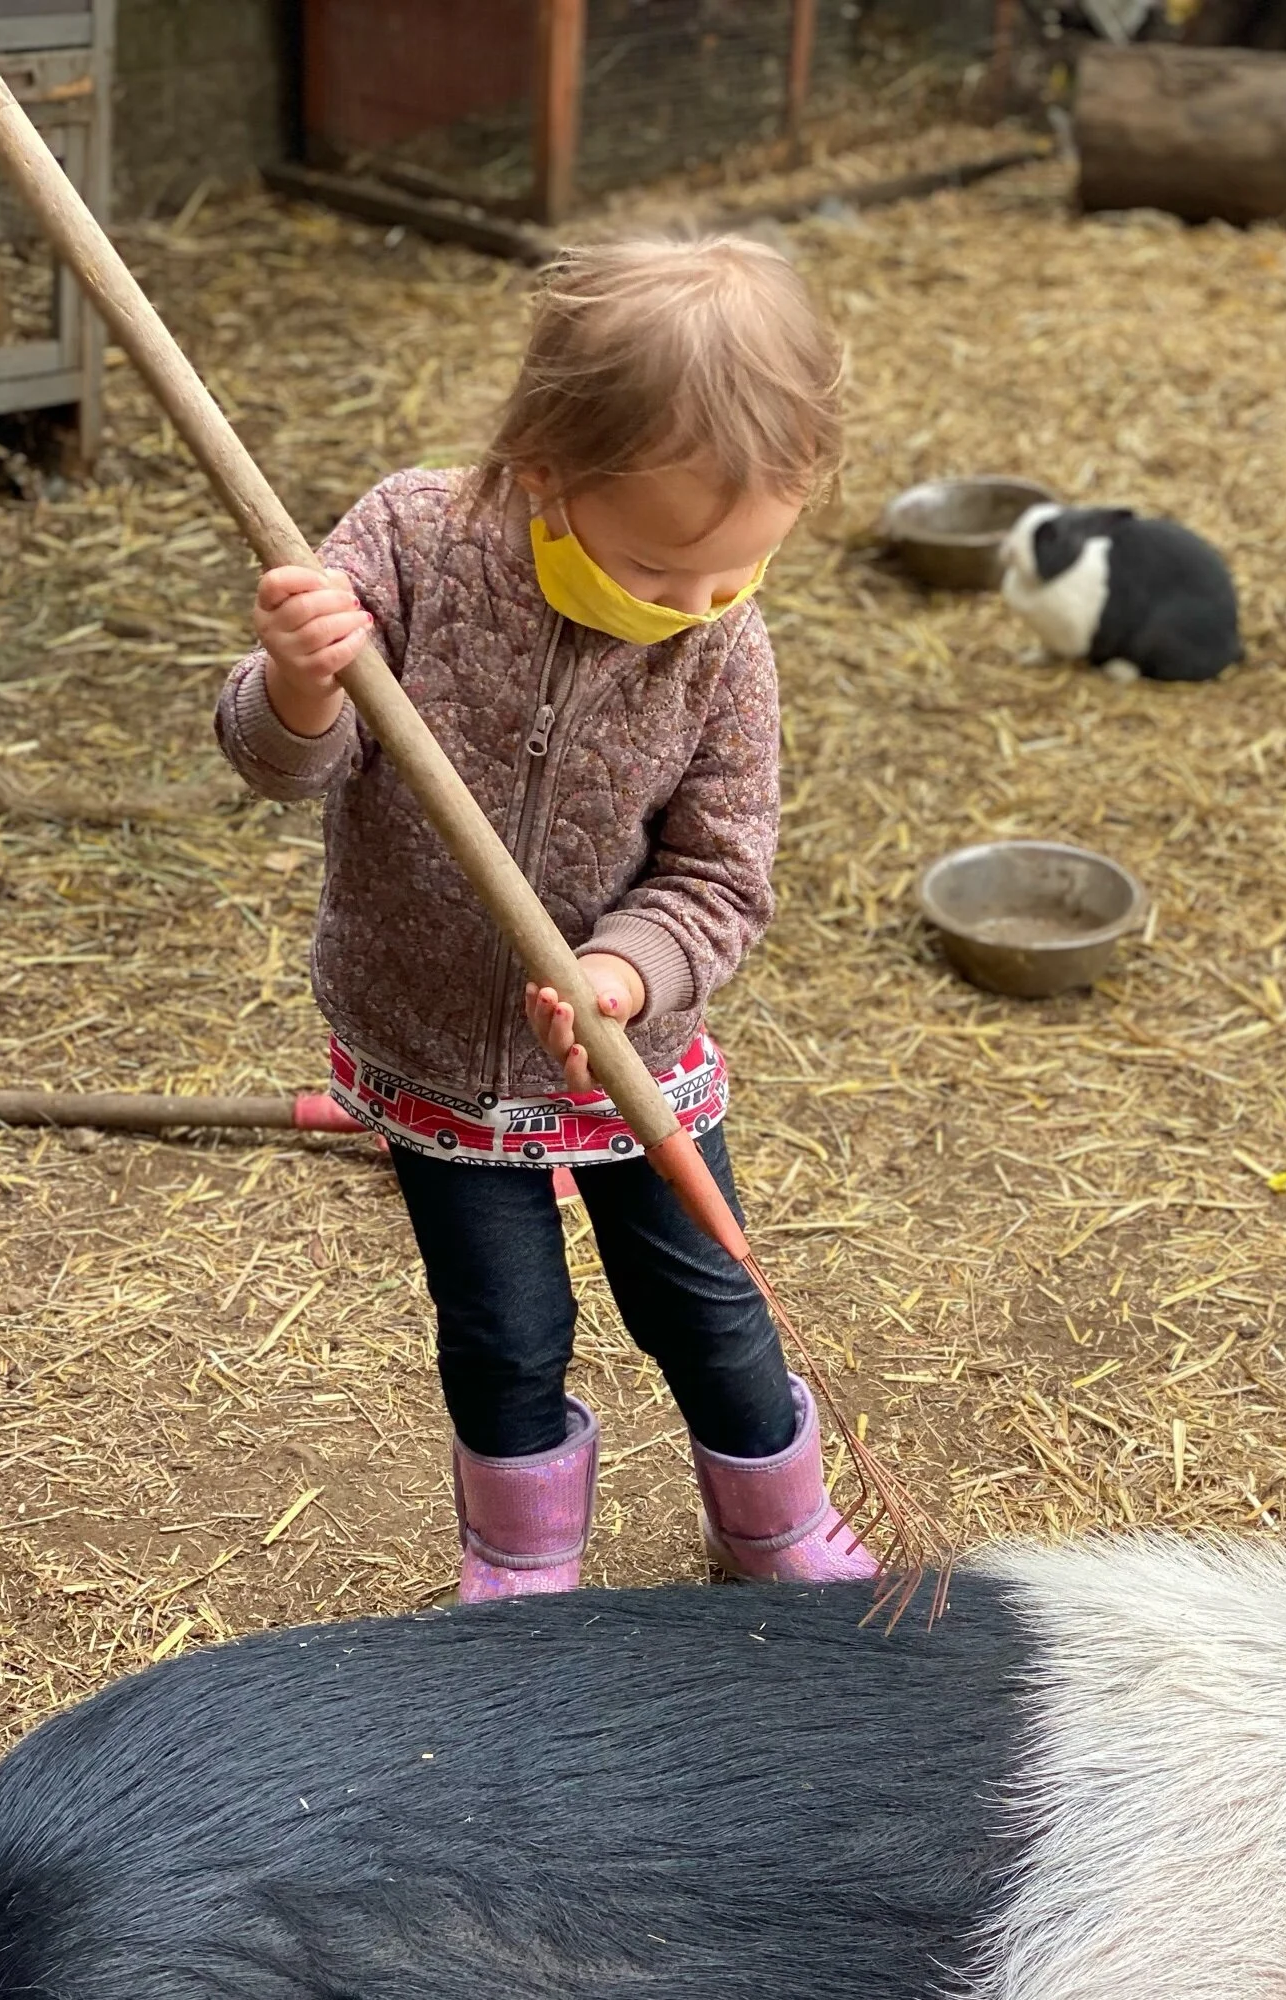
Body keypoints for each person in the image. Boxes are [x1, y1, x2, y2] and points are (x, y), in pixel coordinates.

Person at [216, 231, 874, 1602]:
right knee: (505, 1328)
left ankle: (770, 1522)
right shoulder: (407, 544)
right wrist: (300, 683)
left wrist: (626, 976)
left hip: (633, 1061)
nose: (690, 610)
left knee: (707, 1306)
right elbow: (286, 767)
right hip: (439, 1054)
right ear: (544, 471)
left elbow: (719, 879)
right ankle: (520, 1555)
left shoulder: (722, 655)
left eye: (733, 576)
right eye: (656, 569)